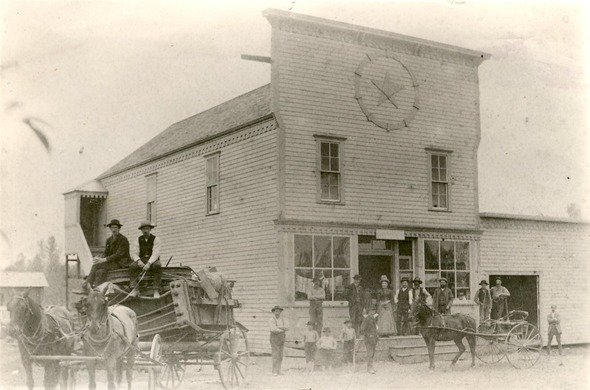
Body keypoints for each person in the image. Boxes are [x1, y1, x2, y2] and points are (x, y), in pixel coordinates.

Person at [78, 219, 131, 293]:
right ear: (110, 229)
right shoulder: (109, 240)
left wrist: (103, 260)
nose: (114, 230)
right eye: (112, 228)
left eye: (115, 227)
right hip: (111, 263)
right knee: (99, 272)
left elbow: (118, 255)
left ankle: (86, 286)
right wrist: (100, 258)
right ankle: (97, 292)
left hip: (121, 264)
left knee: (96, 265)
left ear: (119, 228)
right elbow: (106, 252)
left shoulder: (123, 240)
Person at [129, 220, 162, 298]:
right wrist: (138, 261)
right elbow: (134, 253)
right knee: (132, 266)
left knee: (157, 265)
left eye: (147, 229)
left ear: (150, 229)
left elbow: (156, 253)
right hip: (142, 260)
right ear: (141, 230)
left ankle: (156, 290)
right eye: (143, 229)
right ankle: (134, 289)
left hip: (152, 260)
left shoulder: (156, 239)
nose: (145, 231)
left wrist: (149, 263)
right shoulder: (137, 240)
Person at [269, 305, 288, 376]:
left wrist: (279, 327)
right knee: (275, 354)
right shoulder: (271, 319)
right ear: (273, 312)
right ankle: (274, 371)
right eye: (276, 311)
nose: (278, 312)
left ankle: (278, 370)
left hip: (282, 337)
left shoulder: (283, 319)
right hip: (274, 337)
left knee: (280, 355)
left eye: (279, 311)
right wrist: (282, 329)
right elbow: (273, 329)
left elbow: (287, 327)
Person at [360, 309, 378, 374]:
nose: (373, 312)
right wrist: (368, 335)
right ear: (369, 311)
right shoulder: (367, 319)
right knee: (370, 353)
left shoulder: (373, 318)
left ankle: (371, 367)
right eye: (372, 310)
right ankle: (369, 368)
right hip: (368, 339)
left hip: (374, 339)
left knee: (372, 354)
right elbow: (362, 329)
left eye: (374, 310)